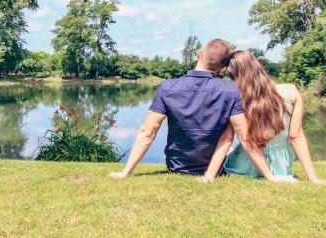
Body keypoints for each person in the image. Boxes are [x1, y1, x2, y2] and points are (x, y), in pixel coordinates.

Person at [109, 39, 284, 180]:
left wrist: (126, 172)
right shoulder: (230, 91)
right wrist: (269, 176)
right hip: (214, 167)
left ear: (199, 54)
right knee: (228, 145)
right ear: (223, 68)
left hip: (176, 166)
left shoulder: (167, 87)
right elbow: (243, 138)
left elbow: (147, 132)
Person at [197, 50, 326, 186]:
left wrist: (210, 174)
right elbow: (296, 137)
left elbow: (227, 138)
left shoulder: (237, 99)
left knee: (229, 147)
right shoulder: (291, 91)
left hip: (243, 167)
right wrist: (313, 178)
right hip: (280, 168)